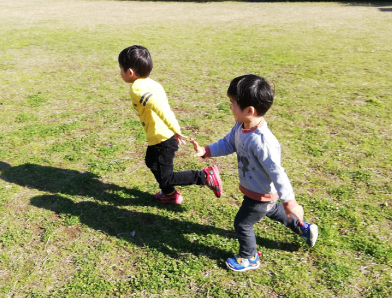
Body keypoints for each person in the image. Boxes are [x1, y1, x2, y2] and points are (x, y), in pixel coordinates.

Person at [191, 74, 318, 272]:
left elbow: (278, 173)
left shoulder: (263, 141)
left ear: (249, 110)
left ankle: (248, 257)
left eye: (232, 103)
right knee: (273, 210)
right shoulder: (241, 126)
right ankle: (302, 228)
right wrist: (207, 151)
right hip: (258, 193)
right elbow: (228, 143)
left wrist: (290, 201)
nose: (230, 106)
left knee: (242, 224)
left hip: (260, 194)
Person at [118, 45, 223, 204]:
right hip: (163, 136)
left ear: (130, 72)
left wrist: (175, 129)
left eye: (121, 68)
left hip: (162, 138)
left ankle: (205, 176)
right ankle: (169, 193)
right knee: (151, 161)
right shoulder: (152, 83)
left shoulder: (136, 88)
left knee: (166, 176)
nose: (120, 72)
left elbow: (160, 107)